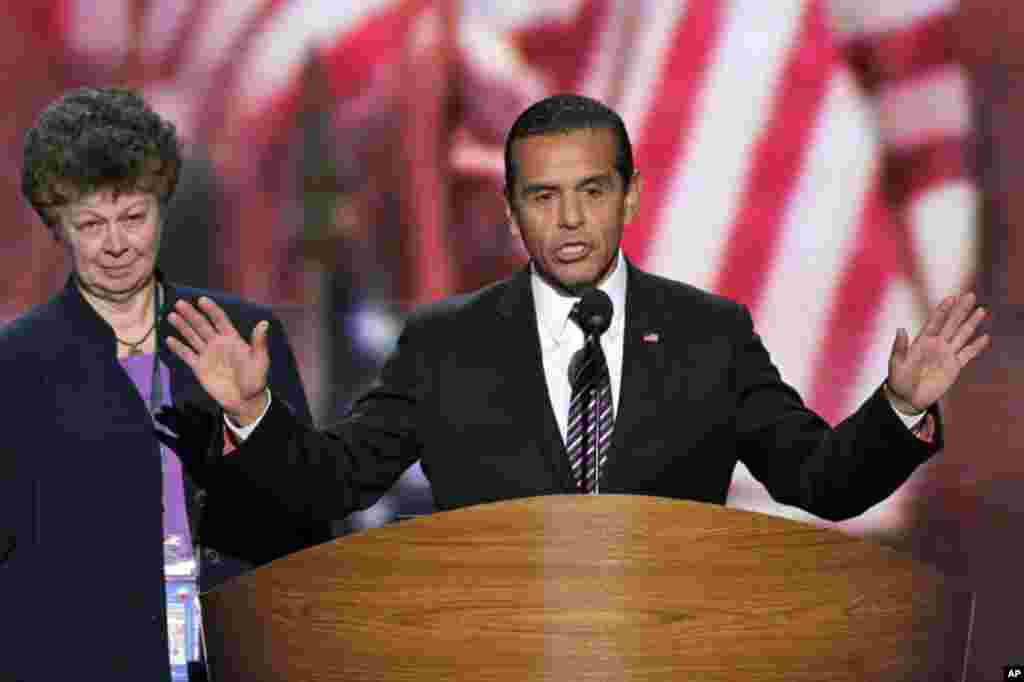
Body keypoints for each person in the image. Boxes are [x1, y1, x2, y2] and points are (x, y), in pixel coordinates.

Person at [165, 94, 988, 531]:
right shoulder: (444, 343)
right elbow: (331, 483)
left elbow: (823, 480)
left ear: (629, 196)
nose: (568, 221)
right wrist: (252, 412)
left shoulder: (712, 336)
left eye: (592, 193)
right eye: (543, 197)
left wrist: (902, 406)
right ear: (513, 208)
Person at [0, 87, 329, 682]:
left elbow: (305, 537)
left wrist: (253, 414)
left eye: (133, 216)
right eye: (91, 224)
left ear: (163, 207)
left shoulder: (244, 335)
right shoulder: (15, 365)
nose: (117, 244)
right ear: (58, 226)